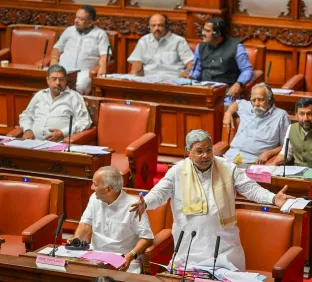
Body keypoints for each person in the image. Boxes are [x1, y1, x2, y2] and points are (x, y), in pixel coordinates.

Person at [130, 129, 294, 272]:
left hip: (224, 248)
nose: (206, 155)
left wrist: (273, 198)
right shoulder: (177, 171)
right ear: (189, 152)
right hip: (189, 249)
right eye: (199, 151)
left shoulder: (227, 167)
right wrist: (146, 202)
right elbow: (160, 192)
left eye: (209, 150)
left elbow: (251, 189)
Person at [68, 166, 154, 273]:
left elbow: (147, 238)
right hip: (94, 257)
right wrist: (77, 240)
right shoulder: (94, 198)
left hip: (123, 262)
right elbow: (86, 224)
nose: (91, 188)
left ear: (108, 189)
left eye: (95, 184)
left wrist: (130, 256)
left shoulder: (133, 206)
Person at [189, 18, 253, 107]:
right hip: (204, 90)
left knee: (223, 109)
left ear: (217, 34)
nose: (203, 33)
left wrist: (239, 83)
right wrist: (192, 76)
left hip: (226, 92)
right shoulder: (200, 47)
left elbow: (247, 70)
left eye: (207, 31)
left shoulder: (236, 47)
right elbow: (197, 69)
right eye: (203, 29)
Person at [19, 64, 92, 141]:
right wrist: (27, 130)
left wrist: (63, 133)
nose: (58, 82)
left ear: (66, 80)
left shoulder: (74, 97)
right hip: (33, 142)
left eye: (61, 79)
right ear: (47, 80)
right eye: (54, 79)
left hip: (59, 144)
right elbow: (26, 115)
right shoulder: (39, 95)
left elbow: (85, 121)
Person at [50, 5, 111, 95]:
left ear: (91, 22)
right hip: (63, 69)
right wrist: (54, 59)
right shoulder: (69, 31)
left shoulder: (100, 34)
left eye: (80, 19)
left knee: (80, 86)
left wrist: (101, 68)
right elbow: (57, 48)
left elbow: (105, 56)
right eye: (76, 17)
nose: (76, 21)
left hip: (84, 72)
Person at [223, 83, 290, 164]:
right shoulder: (247, 106)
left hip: (254, 162)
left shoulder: (281, 116)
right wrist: (228, 112)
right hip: (230, 157)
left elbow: (286, 146)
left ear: (270, 99)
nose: (256, 104)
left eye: (260, 99)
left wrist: (268, 153)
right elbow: (237, 103)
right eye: (253, 100)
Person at [127, 13, 194, 79]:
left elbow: (190, 63)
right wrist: (133, 74)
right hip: (149, 80)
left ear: (166, 26)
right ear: (149, 27)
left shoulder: (179, 41)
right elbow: (137, 63)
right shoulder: (144, 40)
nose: (156, 28)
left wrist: (186, 72)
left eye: (160, 25)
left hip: (172, 80)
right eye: (153, 26)